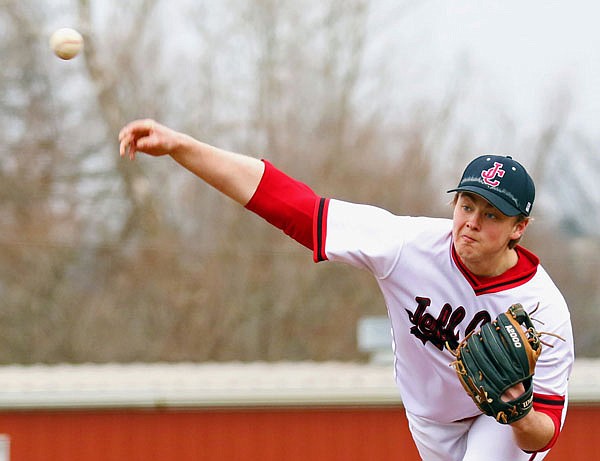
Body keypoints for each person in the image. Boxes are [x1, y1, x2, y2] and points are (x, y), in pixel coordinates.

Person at [118, 119, 574, 461]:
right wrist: (183, 146)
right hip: (429, 419)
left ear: (520, 227)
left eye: (492, 215)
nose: (471, 222)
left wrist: (516, 410)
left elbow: (545, 432)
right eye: (467, 204)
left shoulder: (542, 308)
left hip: (498, 421)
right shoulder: (405, 246)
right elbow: (290, 204)